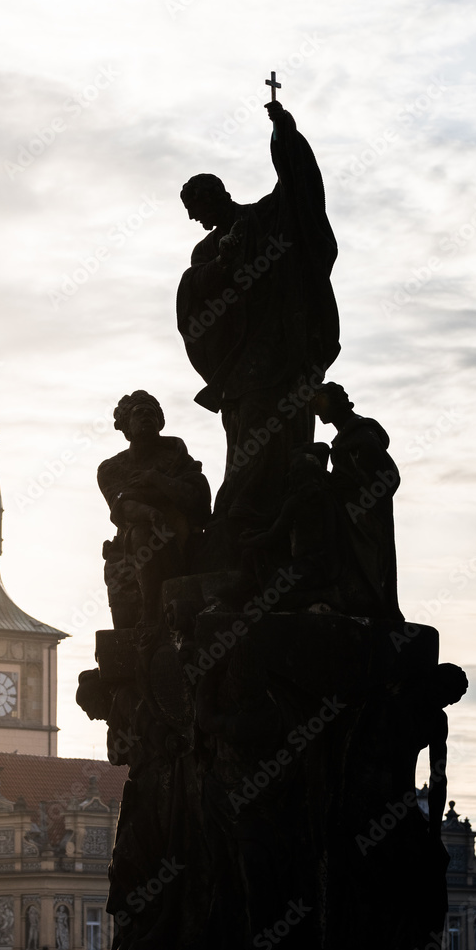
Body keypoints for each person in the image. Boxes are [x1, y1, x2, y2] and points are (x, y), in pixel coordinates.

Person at [178, 101, 339, 559]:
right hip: (241, 360)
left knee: (287, 430)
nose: (196, 218)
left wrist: (283, 136)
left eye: (198, 206)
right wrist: (223, 265)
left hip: (282, 346)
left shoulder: (262, 219)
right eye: (191, 212)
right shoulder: (207, 249)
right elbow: (194, 293)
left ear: (217, 195)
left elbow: (297, 191)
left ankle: (263, 518)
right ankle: (244, 514)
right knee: (248, 432)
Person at [98, 390, 211, 627]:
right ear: (126, 426)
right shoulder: (112, 468)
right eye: (139, 413)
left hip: (180, 541)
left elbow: (197, 499)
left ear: (161, 422)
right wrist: (153, 512)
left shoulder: (179, 457)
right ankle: (149, 614)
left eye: (152, 413)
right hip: (136, 545)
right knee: (141, 532)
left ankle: (152, 617)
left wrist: (155, 479)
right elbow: (123, 507)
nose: (147, 416)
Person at [312, 382, 402, 619]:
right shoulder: (345, 436)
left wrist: (360, 498)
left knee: (368, 565)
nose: (317, 412)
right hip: (353, 510)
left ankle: (366, 601)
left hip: (365, 516)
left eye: (320, 404)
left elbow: (389, 477)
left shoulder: (361, 435)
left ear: (336, 403)